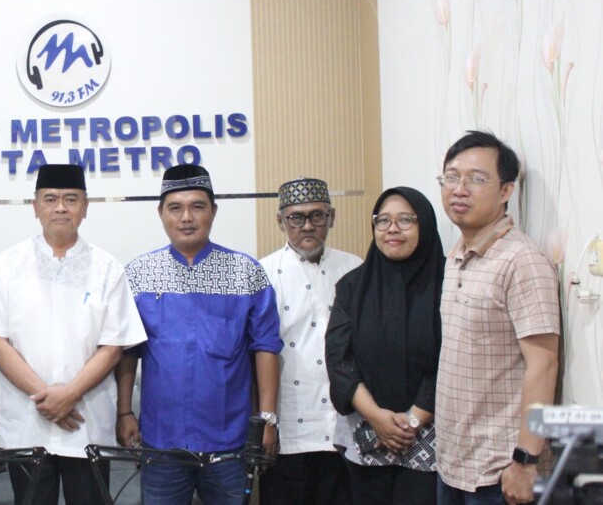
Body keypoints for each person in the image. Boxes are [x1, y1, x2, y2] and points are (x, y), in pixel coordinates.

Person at [0, 164, 147, 505]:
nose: (61, 208)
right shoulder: (9, 264)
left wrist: (69, 394)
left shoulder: (107, 268)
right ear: (35, 206)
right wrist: (48, 397)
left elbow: (113, 346)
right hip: (27, 425)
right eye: (50, 199)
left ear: (86, 206)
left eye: (71, 199)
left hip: (86, 423)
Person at [116, 164, 282, 505]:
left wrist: (267, 419)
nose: (186, 217)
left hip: (230, 443)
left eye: (197, 206)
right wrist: (124, 412)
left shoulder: (245, 273)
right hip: (162, 442)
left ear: (214, 211)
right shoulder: (138, 274)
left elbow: (266, 347)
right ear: (161, 213)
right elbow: (127, 350)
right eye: (175, 208)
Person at [434, 131, 560, 505]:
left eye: (476, 179)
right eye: (451, 177)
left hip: (500, 471)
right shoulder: (457, 254)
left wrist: (525, 462)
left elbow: (544, 365)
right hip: (453, 463)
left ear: (506, 191)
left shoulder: (522, 261)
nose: (459, 189)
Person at [325, 187, 444, 504]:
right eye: (383, 220)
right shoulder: (352, 286)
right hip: (369, 433)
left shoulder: (448, 283)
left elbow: (451, 359)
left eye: (405, 220)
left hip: (431, 435)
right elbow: (339, 359)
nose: (392, 229)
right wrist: (378, 418)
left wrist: (411, 422)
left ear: (424, 225)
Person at [258, 177, 361, 505]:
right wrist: (266, 421)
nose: (307, 226)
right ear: (281, 222)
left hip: (346, 426)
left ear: (331, 217)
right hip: (289, 427)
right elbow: (258, 354)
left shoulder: (355, 269)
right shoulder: (263, 274)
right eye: (296, 217)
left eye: (317, 215)